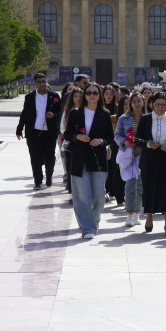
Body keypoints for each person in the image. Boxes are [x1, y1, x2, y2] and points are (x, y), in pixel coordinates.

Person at [65, 83, 113, 239]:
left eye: (95, 93)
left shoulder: (105, 114)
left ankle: (93, 221)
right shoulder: (75, 113)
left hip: (98, 159)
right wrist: (76, 136)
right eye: (89, 93)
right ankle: (88, 228)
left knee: (99, 195)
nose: (92, 95)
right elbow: (67, 134)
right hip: (79, 158)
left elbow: (109, 137)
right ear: (84, 95)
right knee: (82, 196)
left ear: (99, 95)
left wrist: (100, 140)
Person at [136, 93, 166, 236]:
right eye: (157, 105)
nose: (160, 108)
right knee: (149, 188)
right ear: (151, 105)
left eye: (163, 105)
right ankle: (149, 217)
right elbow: (138, 139)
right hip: (149, 158)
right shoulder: (145, 119)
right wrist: (148, 144)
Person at [16, 72, 61, 190]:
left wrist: (53, 114)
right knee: (35, 157)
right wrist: (19, 129)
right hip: (33, 132)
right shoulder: (29, 97)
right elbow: (24, 114)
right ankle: (38, 181)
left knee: (50, 157)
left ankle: (49, 177)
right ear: (35, 83)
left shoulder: (54, 96)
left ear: (47, 82)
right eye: (39, 82)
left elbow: (60, 113)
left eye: (44, 81)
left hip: (49, 132)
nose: (42, 84)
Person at [114, 91, 146, 227]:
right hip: (127, 153)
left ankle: (137, 212)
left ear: (143, 102)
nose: (136, 104)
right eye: (134, 102)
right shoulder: (123, 118)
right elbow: (117, 135)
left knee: (139, 185)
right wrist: (125, 142)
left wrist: (142, 147)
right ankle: (130, 213)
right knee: (130, 184)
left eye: (139, 101)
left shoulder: (148, 118)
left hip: (142, 154)